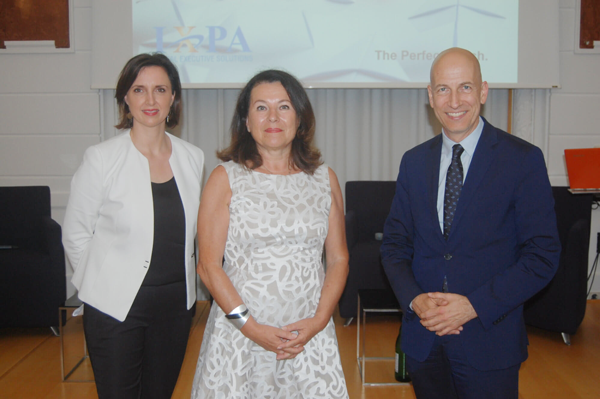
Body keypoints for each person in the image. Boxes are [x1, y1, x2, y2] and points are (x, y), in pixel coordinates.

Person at [380, 47, 561, 399]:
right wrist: (415, 300)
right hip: (424, 341)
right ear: (430, 96)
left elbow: (543, 255)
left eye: (465, 87)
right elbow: (394, 246)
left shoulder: (522, 159)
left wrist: (474, 305)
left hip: (488, 341)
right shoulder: (413, 162)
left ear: (483, 91)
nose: (454, 100)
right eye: (443, 89)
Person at [191, 69, 349, 398]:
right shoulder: (224, 178)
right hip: (240, 336)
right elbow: (208, 265)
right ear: (246, 121)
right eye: (261, 107)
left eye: (284, 107)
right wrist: (252, 329)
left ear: (301, 119)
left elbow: (338, 259)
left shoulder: (325, 178)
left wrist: (319, 321)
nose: (273, 117)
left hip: (308, 337)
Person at [62, 53, 204, 399]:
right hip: (115, 306)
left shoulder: (192, 156)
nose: (150, 100)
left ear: (174, 98)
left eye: (160, 89)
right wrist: (98, 286)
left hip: (176, 306)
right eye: (139, 90)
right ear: (125, 97)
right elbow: (76, 233)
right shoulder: (102, 158)